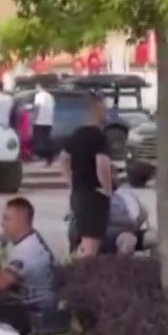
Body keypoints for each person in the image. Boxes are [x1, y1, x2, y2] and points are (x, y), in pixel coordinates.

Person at [0, 196, 58, 335]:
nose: (2, 223)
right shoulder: (27, 238)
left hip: (34, 310)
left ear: (21, 220)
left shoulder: (30, 249)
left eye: (6, 219)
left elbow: (1, 282)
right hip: (20, 303)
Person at [60, 95, 113, 257]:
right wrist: (107, 189)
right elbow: (102, 164)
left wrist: (72, 182)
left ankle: (76, 269)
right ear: (97, 111)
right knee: (91, 244)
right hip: (94, 195)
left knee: (84, 241)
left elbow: (63, 159)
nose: (107, 113)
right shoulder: (99, 136)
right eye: (104, 109)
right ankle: (82, 276)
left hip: (78, 194)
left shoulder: (76, 135)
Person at [107, 182, 149, 254]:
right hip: (97, 238)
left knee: (128, 241)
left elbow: (140, 215)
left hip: (124, 235)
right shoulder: (94, 198)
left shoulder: (124, 195)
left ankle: (123, 263)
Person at [32, 84, 55, 163]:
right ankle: (49, 156)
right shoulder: (50, 96)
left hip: (39, 121)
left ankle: (42, 155)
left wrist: (34, 119)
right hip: (48, 121)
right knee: (46, 140)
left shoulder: (39, 96)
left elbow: (37, 107)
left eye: (36, 87)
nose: (36, 89)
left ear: (40, 87)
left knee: (38, 140)